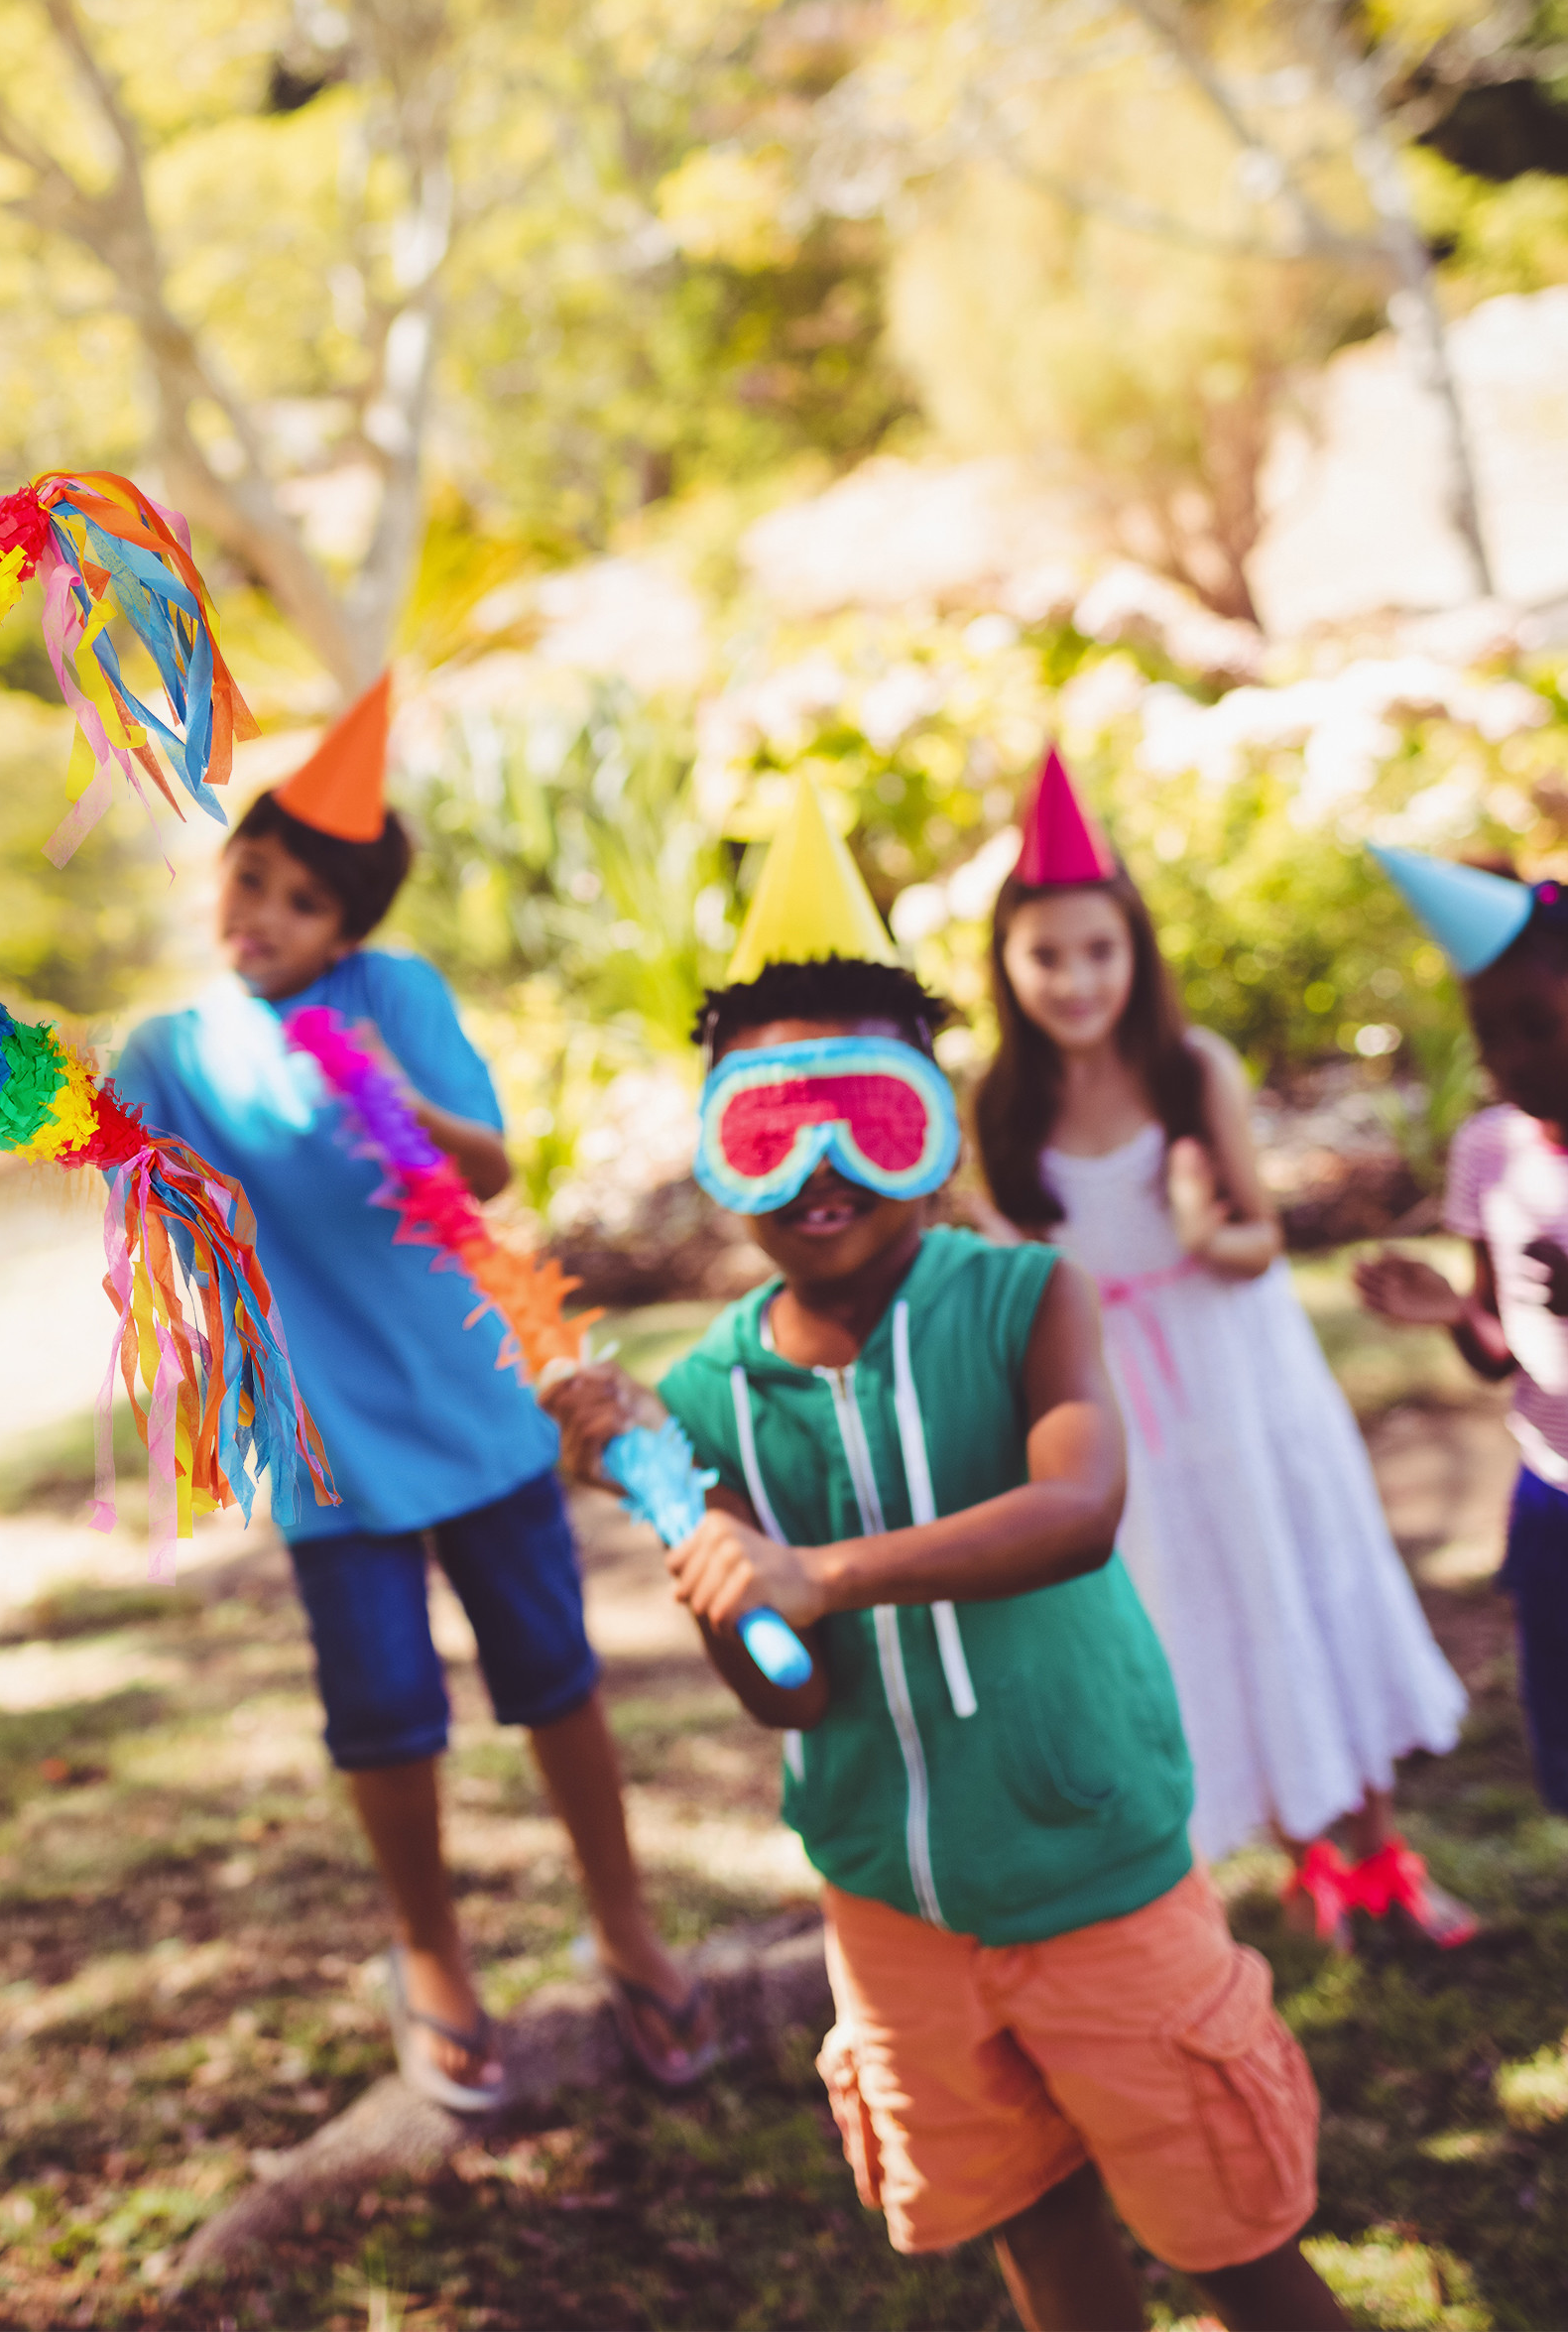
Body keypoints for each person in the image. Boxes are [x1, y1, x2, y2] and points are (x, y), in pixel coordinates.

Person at [545, 772, 1344, 2332]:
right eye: (771, 1125)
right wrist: (688, 1525)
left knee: (1233, 2240)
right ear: (718, 1149)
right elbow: (783, 1691)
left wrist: (819, 1573)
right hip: (891, 1908)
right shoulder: (707, 1393)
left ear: (928, 1124)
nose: (820, 1166)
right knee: (1036, 2236)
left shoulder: (1026, 1298)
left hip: (1097, 1876)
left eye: (870, 1114)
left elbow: (1079, 1508)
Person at [113, 674, 713, 2110]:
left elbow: (486, 1171)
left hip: (472, 1403)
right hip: (322, 1443)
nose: (262, 915)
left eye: (303, 904)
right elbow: (132, 1196)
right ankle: (428, 1950)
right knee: (383, 1709)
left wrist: (392, 1094)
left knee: (553, 1678)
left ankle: (623, 1920)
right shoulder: (172, 1053)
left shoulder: (397, 997)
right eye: (250, 878)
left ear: (351, 929)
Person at [972, 748, 1471, 1946]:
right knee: (1199, 1593)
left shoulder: (1191, 1072)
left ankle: (1379, 1845)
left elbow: (1254, 1241)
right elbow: (1020, 1274)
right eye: (1046, 954)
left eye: (1099, 949)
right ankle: (1309, 1856)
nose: (1075, 977)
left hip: (1238, 1377)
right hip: (1122, 1399)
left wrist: (1206, 1225)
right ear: (1005, 963)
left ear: (1135, 949)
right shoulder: (1001, 1108)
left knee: (1293, 1573)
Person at [1354, 844, 1568, 1818]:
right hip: (1549, 1489)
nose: (1512, 1058)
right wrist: (1452, 1313)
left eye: (1535, 1025)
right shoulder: (1486, 1151)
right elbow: (1498, 1353)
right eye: (1491, 1037)